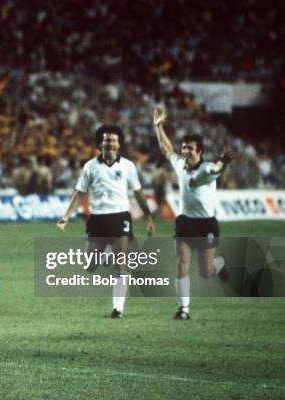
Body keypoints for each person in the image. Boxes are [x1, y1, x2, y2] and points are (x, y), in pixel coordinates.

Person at [57, 124, 155, 318]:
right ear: (100, 143)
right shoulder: (90, 166)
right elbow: (79, 193)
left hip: (120, 216)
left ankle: (118, 308)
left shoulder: (127, 166)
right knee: (89, 266)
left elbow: (138, 193)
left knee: (121, 263)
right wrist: (65, 217)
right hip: (97, 218)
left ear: (119, 144)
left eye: (113, 140)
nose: (109, 143)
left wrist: (148, 217)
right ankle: (106, 253)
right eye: (106, 140)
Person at [153, 106, 234, 320]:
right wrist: (158, 126)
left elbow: (217, 169)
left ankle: (219, 264)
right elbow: (166, 149)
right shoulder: (180, 165)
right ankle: (184, 309)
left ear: (199, 151)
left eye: (189, 148)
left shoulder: (206, 169)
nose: (185, 151)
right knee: (181, 265)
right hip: (185, 222)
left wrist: (224, 163)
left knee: (206, 272)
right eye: (184, 147)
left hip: (207, 224)